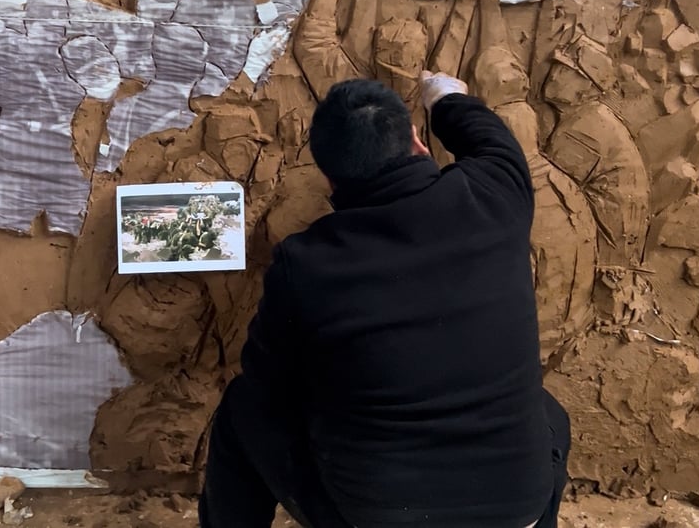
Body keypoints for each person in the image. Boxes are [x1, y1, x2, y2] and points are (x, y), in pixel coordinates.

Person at [198, 72, 571, 528]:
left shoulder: (307, 263)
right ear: (417, 141)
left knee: (244, 406)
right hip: (517, 504)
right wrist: (442, 97)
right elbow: (488, 135)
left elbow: (268, 381)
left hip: (376, 514)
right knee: (546, 413)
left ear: (329, 180)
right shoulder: (495, 193)